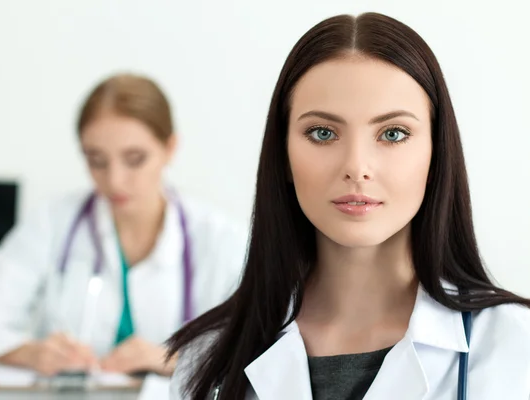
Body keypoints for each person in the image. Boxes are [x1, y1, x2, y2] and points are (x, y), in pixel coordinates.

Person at [168, 12, 530, 400]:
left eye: (393, 133)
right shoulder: (206, 357)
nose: (356, 167)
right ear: (283, 156)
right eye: (323, 133)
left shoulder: (515, 347)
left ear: (436, 154)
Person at [0, 73, 248, 396]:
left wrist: (176, 358)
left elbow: (262, 347)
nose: (114, 180)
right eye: (96, 160)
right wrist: (29, 353)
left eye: (134, 159)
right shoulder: (53, 222)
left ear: (169, 148)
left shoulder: (219, 239)